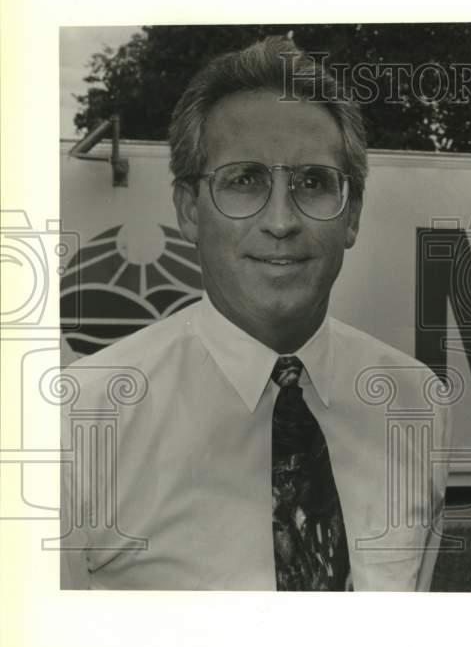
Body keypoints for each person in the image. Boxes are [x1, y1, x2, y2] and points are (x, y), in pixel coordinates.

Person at [59, 37, 450, 591]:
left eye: (314, 183)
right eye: (244, 180)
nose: (282, 221)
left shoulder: (417, 405)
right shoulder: (79, 420)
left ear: (353, 214)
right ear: (189, 210)